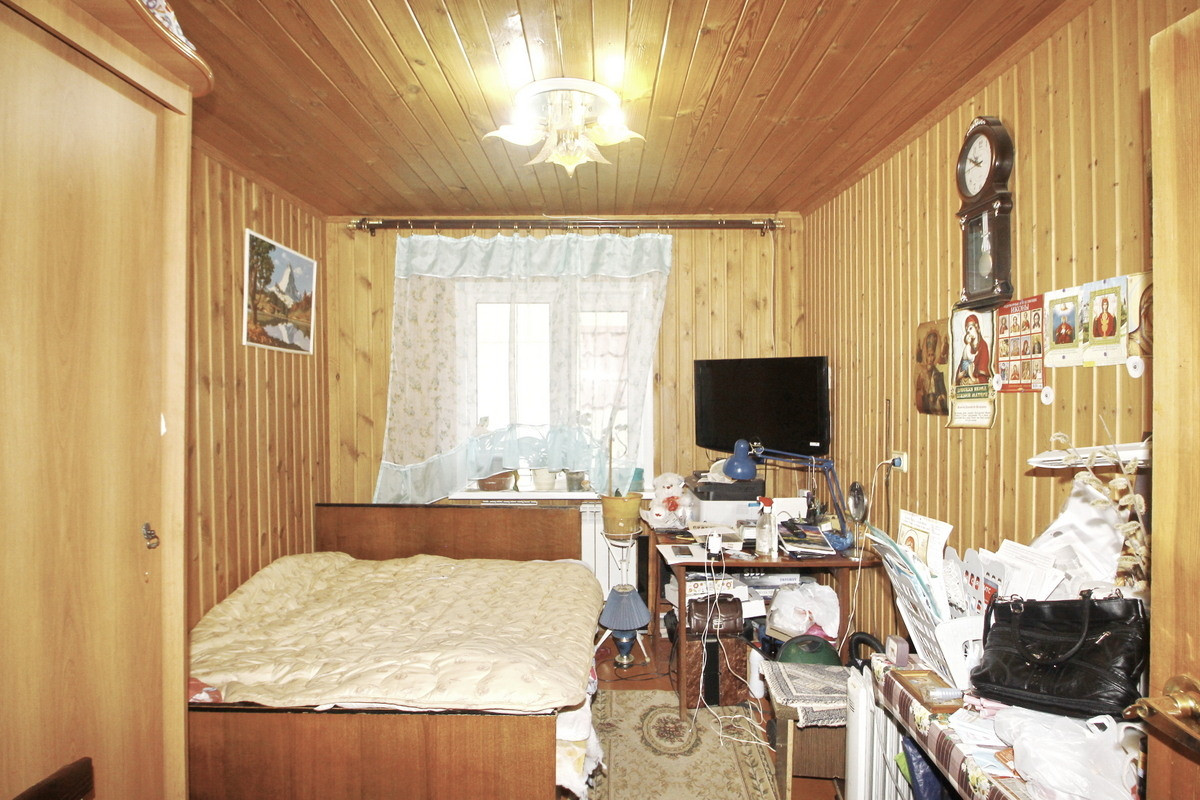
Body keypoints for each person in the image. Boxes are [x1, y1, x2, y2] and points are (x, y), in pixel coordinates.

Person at [915, 327, 948, 414]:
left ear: (935, 356)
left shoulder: (938, 375)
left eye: (932, 355)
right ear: (925, 356)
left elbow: (943, 394)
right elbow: (918, 395)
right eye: (929, 355)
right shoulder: (921, 375)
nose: (930, 358)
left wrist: (941, 397)